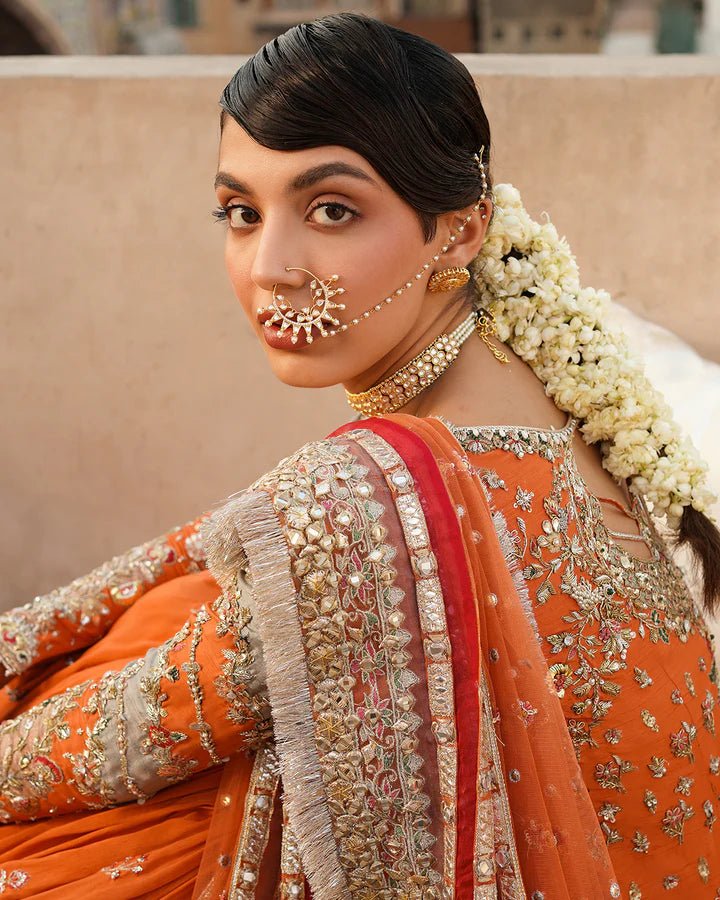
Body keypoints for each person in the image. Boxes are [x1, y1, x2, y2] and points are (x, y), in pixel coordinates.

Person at [0, 13, 718, 898]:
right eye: (239, 212)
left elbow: (120, 739)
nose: (270, 266)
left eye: (332, 210)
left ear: (459, 231)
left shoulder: (361, 497)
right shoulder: (577, 421)